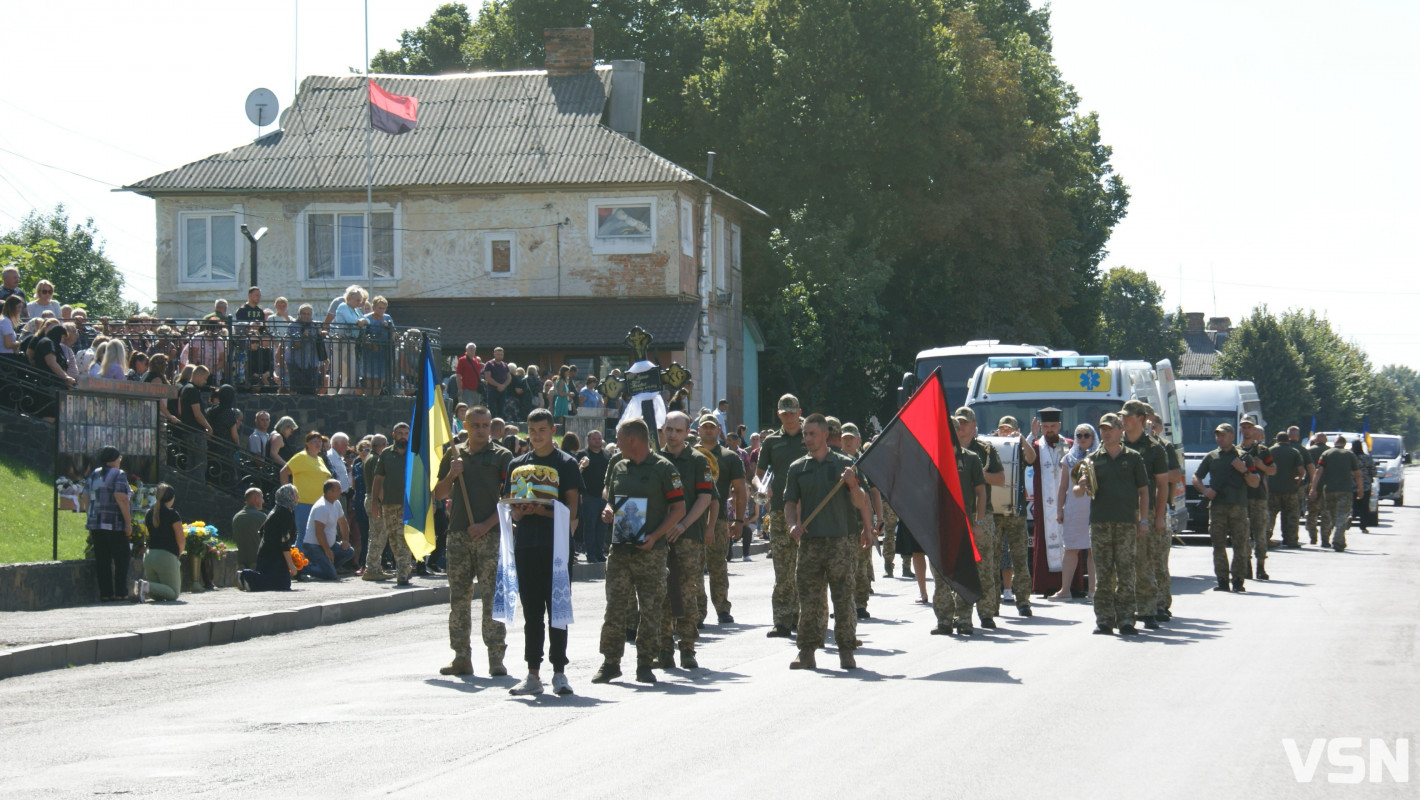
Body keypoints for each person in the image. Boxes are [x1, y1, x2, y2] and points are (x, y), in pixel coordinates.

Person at [590, 418, 686, 685]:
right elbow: (609, 493)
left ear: (632, 439)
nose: (616, 443)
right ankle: (611, 662)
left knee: (650, 608)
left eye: (619, 438)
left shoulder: (663, 468)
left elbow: (679, 508)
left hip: (651, 552)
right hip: (620, 550)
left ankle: (645, 663)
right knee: (615, 608)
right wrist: (609, 508)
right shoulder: (617, 465)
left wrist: (656, 535)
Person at [503, 409, 583, 696]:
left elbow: (573, 509)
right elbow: (512, 509)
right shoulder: (517, 464)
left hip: (557, 546)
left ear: (553, 430)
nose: (537, 436)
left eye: (542, 430)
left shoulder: (566, 463)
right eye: (532, 430)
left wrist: (542, 511)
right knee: (532, 613)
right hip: (526, 545)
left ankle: (559, 672)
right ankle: (532, 674)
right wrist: (522, 513)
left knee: (557, 611)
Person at [783, 414, 873, 670]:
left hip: (840, 543)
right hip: (810, 543)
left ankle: (846, 649)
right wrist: (791, 525)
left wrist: (852, 486)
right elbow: (789, 503)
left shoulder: (846, 465)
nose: (808, 438)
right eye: (805, 434)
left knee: (843, 598)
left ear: (825, 435)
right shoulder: (798, 468)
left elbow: (861, 502)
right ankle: (806, 651)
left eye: (812, 434)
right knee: (809, 599)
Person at [434, 405, 513, 678]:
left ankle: (495, 657)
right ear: (465, 426)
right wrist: (452, 474)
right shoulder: (455, 454)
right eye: (475, 425)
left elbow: (509, 501)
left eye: (485, 425)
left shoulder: (502, 456)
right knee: (460, 598)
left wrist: (485, 525)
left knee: (492, 598)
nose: (481, 430)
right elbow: (438, 493)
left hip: (490, 535)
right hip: (458, 533)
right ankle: (461, 656)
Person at [655, 411, 718, 670]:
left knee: (686, 592)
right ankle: (664, 648)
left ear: (687, 433)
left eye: (678, 431)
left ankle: (688, 647)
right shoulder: (654, 459)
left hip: (688, 536)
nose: (673, 435)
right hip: (660, 537)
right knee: (661, 594)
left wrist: (683, 524)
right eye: (669, 430)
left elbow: (705, 498)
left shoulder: (697, 460)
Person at [1082, 414, 1150, 636]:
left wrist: (1143, 520)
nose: (1106, 433)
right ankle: (1104, 620)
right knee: (1103, 574)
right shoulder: (1092, 459)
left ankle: (1127, 619)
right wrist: (1081, 485)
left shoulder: (1133, 458)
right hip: (1100, 523)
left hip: (1126, 523)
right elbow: (1077, 490)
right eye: (1102, 429)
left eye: (1110, 428)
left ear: (1120, 431)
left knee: (1125, 572)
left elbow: (1143, 490)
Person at [757, 393, 809, 638]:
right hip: (779, 509)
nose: (789, 418)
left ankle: (803, 617)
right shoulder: (771, 442)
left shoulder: (809, 436)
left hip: (808, 510)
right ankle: (782, 620)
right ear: (779, 415)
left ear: (799, 413)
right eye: (784, 413)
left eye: (792, 413)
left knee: (806, 566)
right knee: (782, 568)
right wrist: (760, 486)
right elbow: (759, 472)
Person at [935, 416, 988, 636]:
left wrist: (978, 522)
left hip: (964, 524)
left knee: (964, 573)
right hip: (939, 526)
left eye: (952, 430)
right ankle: (944, 620)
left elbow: (981, 493)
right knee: (941, 576)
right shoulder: (933, 458)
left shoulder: (971, 459)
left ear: (959, 432)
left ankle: (965, 619)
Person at [951, 407, 1004, 628]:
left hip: (982, 514)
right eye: (958, 423)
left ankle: (986, 613)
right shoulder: (943, 451)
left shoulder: (984, 450)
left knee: (985, 567)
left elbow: (1000, 479)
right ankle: (962, 615)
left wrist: (975, 473)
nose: (961, 427)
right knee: (960, 568)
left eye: (965, 423)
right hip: (955, 515)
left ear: (973, 426)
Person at [1120, 400, 1170, 627]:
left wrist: (1158, 516)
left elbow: (1162, 485)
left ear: (1141, 419)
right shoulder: (1115, 444)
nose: (1123, 420)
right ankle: (1126, 609)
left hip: (1144, 510)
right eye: (1122, 416)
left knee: (1145, 561)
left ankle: (1149, 609)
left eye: (1128, 416)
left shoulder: (1153, 448)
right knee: (1121, 563)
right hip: (1119, 511)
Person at [1193, 423, 1259, 592]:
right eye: (1217, 436)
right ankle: (1222, 580)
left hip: (1238, 507)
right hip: (1217, 508)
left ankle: (1238, 580)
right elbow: (1196, 477)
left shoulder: (1244, 457)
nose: (1219, 439)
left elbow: (1255, 482)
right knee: (1218, 545)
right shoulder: (1212, 456)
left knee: (1240, 545)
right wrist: (1205, 491)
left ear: (1231, 436)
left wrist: (1243, 470)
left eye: (1223, 435)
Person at [699, 414, 747, 625]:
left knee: (718, 565)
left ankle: (722, 608)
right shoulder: (688, 454)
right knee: (693, 567)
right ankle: (697, 611)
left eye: (712, 427)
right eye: (704, 427)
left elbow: (740, 491)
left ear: (719, 430)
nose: (708, 430)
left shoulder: (730, 457)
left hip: (718, 520)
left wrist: (738, 520)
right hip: (691, 520)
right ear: (699, 430)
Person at [1052, 423, 1097, 601]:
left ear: (1093, 437)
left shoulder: (1099, 457)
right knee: (1070, 549)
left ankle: (1093, 591)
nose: (1083, 439)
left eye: (1086, 435)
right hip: (1073, 509)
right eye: (1079, 435)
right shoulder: (1068, 459)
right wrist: (1059, 510)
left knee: (1093, 551)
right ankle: (1065, 591)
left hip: (1094, 510)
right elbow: (1063, 487)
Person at [368, 422, 417, 584]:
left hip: (409, 504)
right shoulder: (386, 454)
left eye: (406, 433)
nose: (403, 436)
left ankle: (402, 574)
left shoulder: (415, 453)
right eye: (400, 433)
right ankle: (405, 567)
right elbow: (378, 479)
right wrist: (375, 502)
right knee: (393, 539)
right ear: (393, 435)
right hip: (389, 504)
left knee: (404, 538)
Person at [86, 446, 132, 601]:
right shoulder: (118, 474)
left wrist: (90, 519)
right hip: (114, 523)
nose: (120, 461)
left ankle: (105, 593)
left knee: (102, 559)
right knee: (122, 558)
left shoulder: (94, 473)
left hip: (96, 523)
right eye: (119, 458)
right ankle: (121, 592)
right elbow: (121, 498)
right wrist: (128, 523)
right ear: (114, 459)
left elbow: (85, 498)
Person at [238, 484, 300, 592]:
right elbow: (284, 539)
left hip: (266, 553)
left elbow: (262, 531)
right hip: (274, 555)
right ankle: (245, 575)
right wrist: (290, 564)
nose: (298, 497)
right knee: (281, 585)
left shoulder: (276, 509)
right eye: (295, 495)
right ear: (288, 496)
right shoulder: (284, 513)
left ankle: (250, 579)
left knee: (279, 583)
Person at [1310, 436, 1362, 552]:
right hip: (1345, 490)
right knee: (1341, 516)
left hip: (1329, 490)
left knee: (1333, 516)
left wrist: (1313, 488)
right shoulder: (1349, 455)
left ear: (1334, 443)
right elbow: (1357, 473)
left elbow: (1318, 472)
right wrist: (1360, 488)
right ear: (1344, 444)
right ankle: (1338, 541)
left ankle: (1338, 541)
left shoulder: (1326, 453)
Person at [1239, 416, 1276, 580]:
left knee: (1260, 533)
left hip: (1258, 497)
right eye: (1244, 427)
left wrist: (1261, 466)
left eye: (1249, 427)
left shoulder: (1262, 451)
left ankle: (1261, 566)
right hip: (1241, 497)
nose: (1246, 430)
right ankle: (1246, 565)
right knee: (1242, 533)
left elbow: (1273, 470)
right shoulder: (1236, 450)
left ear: (1254, 430)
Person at [135, 483, 184, 601]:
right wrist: (178, 554)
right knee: (173, 593)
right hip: (166, 555)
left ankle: (142, 588)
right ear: (172, 498)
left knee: (159, 594)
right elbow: (181, 539)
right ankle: (144, 586)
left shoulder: (149, 513)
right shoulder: (172, 514)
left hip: (149, 556)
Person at [280, 431, 332, 536]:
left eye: (320, 441)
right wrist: (287, 494)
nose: (318, 444)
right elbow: (284, 472)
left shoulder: (320, 459)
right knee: (304, 534)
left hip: (320, 504)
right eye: (314, 441)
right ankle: (299, 553)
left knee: (319, 535)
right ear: (307, 444)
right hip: (304, 503)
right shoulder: (301, 457)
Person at [301, 479, 357, 579]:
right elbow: (319, 532)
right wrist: (327, 550)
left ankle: (329, 567)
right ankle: (301, 568)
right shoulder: (321, 507)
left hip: (329, 545)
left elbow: (343, 523)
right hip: (313, 546)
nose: (341, 491)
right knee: (330, 575)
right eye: (338, 489)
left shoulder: (336, 503)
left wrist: (345, 540)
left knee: (349, 551)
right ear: (329, 492)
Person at [577, 429, 611, 564]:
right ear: (588, 440)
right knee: (590, 526)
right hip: (589, 496)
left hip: (604, 497)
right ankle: (590, 553)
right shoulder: (582, 454)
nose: (597, 441)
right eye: (594, 439)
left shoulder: (607, 455)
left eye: (599, 438)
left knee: (602, 526)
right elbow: (576, 474)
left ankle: (599, 552)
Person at [1268, 431, 1306, 548]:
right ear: (1288, 440)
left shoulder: (1270, 451)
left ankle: (1266, 537)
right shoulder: (1294, 452)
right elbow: (1301, 471)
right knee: (1292, 515)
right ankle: (1291, 540)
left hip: (1272, 489)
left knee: (1270, 514)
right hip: (1290, 489)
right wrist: (1298, 480)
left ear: (1276, 440)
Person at [357, 296, 395, 396]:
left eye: (383, 308)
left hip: (383, 353)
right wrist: (370, 345)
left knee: (379, 380)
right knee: (369, 380)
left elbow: (393, 334)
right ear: (374, 307)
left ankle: (375, 400)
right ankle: (368, 400)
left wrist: (388, 327)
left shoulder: (388, 318)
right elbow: (363, 335)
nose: (381, 310)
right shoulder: (367, 318)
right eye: (379, 308)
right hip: (370, 353)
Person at [286, 303, 325, 395]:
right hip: (295, 362)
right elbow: (293, 345)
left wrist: (321, 334)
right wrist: (303, 337)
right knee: (296, 389)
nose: (306, 316)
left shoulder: (315, 325)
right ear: (299, 314)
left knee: (311, 389)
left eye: (309, 314)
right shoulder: (293, 326)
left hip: (311, 362)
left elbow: (319, 341)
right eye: (304, 313)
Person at [231, 488, 267, 570]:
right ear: (256, 499)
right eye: (262, 497)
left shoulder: (236, 517)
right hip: (258, 562)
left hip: (241, 562)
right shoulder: (261, 517)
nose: (263, 501)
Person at [1304, 431, 1329, 544]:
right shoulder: (1329, 452)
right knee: (1325, 513)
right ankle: (1325, 538)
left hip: (1311, 485)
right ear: (1326, 440)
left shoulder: (1308, 451)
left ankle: (1313, 536)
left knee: (1312, 512)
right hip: (1326, 486)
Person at [1351, 439, 1376, 533]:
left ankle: (1350, 517)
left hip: (1351, 485)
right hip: (1365, 485)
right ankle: (1363, 526)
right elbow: (1373, 471)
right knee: (1364, 507)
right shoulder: (1367, 458)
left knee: (1350, 504)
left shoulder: (1350, 457)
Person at [483, 347, 512, 417]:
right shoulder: (489, 364)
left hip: (503, 390)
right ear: (494, 354)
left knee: (501, 409)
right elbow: (488, 377)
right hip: (492, 389)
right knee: (491, 408)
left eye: (501, 354)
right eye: (498, 354)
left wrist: (504, 386)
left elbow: (509, 377)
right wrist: (498, 385)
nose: (500, 356)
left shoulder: (505, 365)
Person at [455, 343, 484, 407]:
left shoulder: (476, 360)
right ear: (466, 349)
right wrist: (460, 388)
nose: (472, 350)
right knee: (467, 409)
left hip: (477, 390)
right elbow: (458, 375)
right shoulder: (462, 360)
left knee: (475, 411)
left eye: (474, 349)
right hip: (467, 390)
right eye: (470, 349)